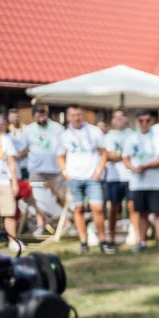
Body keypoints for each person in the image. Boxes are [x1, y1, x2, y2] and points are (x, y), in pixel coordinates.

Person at [57, 105, 109, 254]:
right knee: (78, 208)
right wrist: (66, 173)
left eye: (79, 114)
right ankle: (83, 241)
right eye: (73, 115)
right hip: (74, 177)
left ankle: (103, 240)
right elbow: (60, 156)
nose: (76, 118)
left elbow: (103, 153)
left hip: (92, 176)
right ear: (68, 117)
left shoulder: (94, 131)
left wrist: (98, 172)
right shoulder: (65, 135)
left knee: (97, 208)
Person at [123, 109, 159, 254]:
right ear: (136, 121)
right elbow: (126, 158)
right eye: (141, 121)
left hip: (155, 182)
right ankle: (141, 241)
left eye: (147, 120)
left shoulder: (158, 137)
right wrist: (133, 167)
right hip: (138, 182)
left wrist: (146, 166)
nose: (144, 124)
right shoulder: (131, 138)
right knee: (141, 213)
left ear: (152, 121)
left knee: (158, 212)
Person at [24, 104, 66, 231]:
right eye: (38, 115)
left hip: (55, 169)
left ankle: (63, 223)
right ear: (33, 117)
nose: (41, 117)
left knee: (60, 197)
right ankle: (41, 224)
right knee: (37, 199)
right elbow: (23, 147)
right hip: (36, 169)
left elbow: (64, 147)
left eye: (43, 114)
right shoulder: (29, 129)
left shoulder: (57, 128)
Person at [101, 109, 133, 253]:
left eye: (122, 116)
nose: (119, 119)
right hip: (114, 177)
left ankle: (136, 236)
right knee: (113, 208)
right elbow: (108, 155)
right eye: (116, 117)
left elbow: (134, 154)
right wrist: (124, 156)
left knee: (133, 207)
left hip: (130, 176)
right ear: (112, 120)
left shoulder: (133, 135)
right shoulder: (107, 136)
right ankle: (111, 238)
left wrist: (119, 156)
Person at [0, 117, 19, 250]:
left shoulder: (6, 140)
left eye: (2, 123)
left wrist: (15, 182)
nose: (0, 126)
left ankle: (13, 241)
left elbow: (12, 163)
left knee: (9, 212)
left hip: (4, 181)